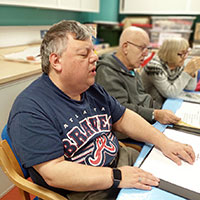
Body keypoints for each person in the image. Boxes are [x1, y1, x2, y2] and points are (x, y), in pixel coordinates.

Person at [7, 20, 195, 200]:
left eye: (93, 51)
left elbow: (123, 117)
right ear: (56, 61)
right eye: (84, 54)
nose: (95, 57)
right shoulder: (30, 108)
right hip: (87, 189)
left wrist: (164, 142)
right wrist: (117, 176)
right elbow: (54, 173)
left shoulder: (91, 88)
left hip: (120, 162)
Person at [95, 26, 181, 140]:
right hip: (127, 133)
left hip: (145, 121)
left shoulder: (130, 68)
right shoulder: (107, 71)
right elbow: (120, 109)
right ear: (125, 47)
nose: (146, 54)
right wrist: (155, 114)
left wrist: (157, 111)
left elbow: (141, 97)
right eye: (142, 48)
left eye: (148, 49)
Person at [141, 38, 200, 107]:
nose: (185, 57)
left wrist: (192, 72)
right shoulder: (154, 67)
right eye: (181, 54)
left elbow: (190, 88)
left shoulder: (177, 64)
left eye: (186, 53)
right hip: (151, 106)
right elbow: (170, 93)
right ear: (170, 53)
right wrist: (186, 72)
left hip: (166, 102)